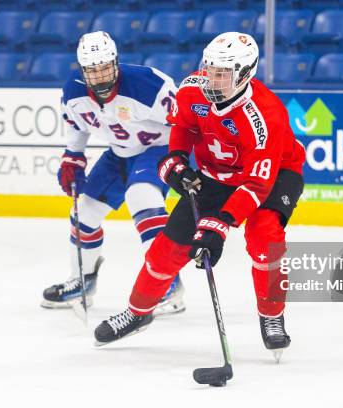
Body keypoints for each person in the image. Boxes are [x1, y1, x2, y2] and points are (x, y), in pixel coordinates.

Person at [93, 32, 306, 357]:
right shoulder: (193, 89)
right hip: (215, 175)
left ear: (245, 74)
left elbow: (255, 186)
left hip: (273, 176)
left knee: (265, 236)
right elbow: (185, 126)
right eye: (210, 68)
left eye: (223, 73)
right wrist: (177, 159)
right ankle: (138, 312)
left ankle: (272, 315)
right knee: (166, 250)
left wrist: (218, 226)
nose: (212, 78)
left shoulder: (265, 116)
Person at [40, 31, 185, 316]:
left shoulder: (149, 84)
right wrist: (73, 157)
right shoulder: (74, 92)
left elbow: (183, 123)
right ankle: (83, 281)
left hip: (158, 148)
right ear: (83, 70)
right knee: (85, 214)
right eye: (92, 71)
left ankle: (168, 283)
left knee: (141, 195)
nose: (101, 76)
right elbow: (77, 125)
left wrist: (187, 159)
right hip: (119, 154)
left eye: (105, 68)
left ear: (116, 63)